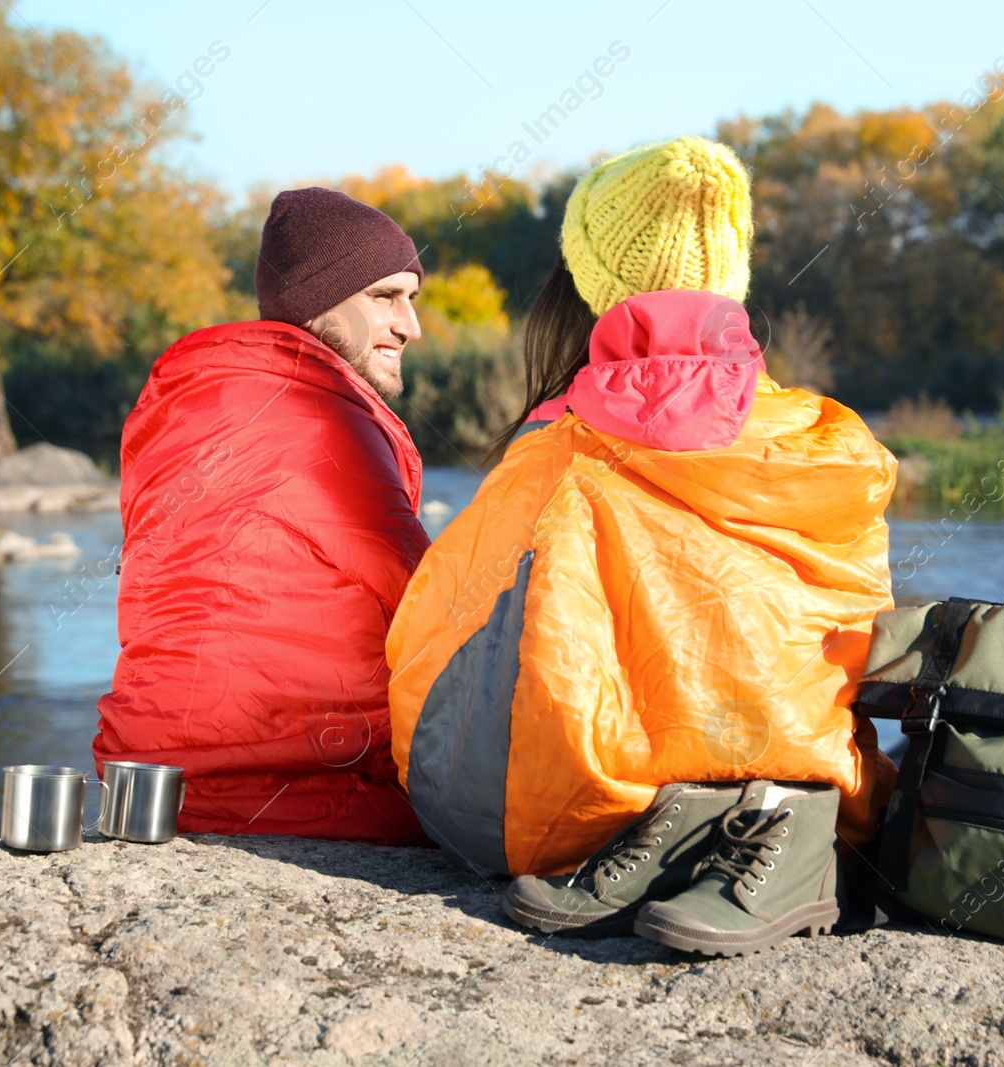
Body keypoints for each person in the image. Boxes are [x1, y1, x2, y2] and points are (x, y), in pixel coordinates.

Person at [387, 137, 898, 953]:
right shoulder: (824, 444)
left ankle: (673, 811)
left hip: (573, 819)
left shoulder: (561, 450)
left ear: (586, 290)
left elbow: (426, 659)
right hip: (813, 800)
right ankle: (762, 808)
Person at [94, 187, 432, 845]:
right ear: (321, 299)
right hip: (303, 791)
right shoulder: (329, 417)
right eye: (384, 296)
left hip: (147, 782)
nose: (409, 325)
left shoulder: (184, 399)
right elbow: (435, 612)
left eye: (411, 300)